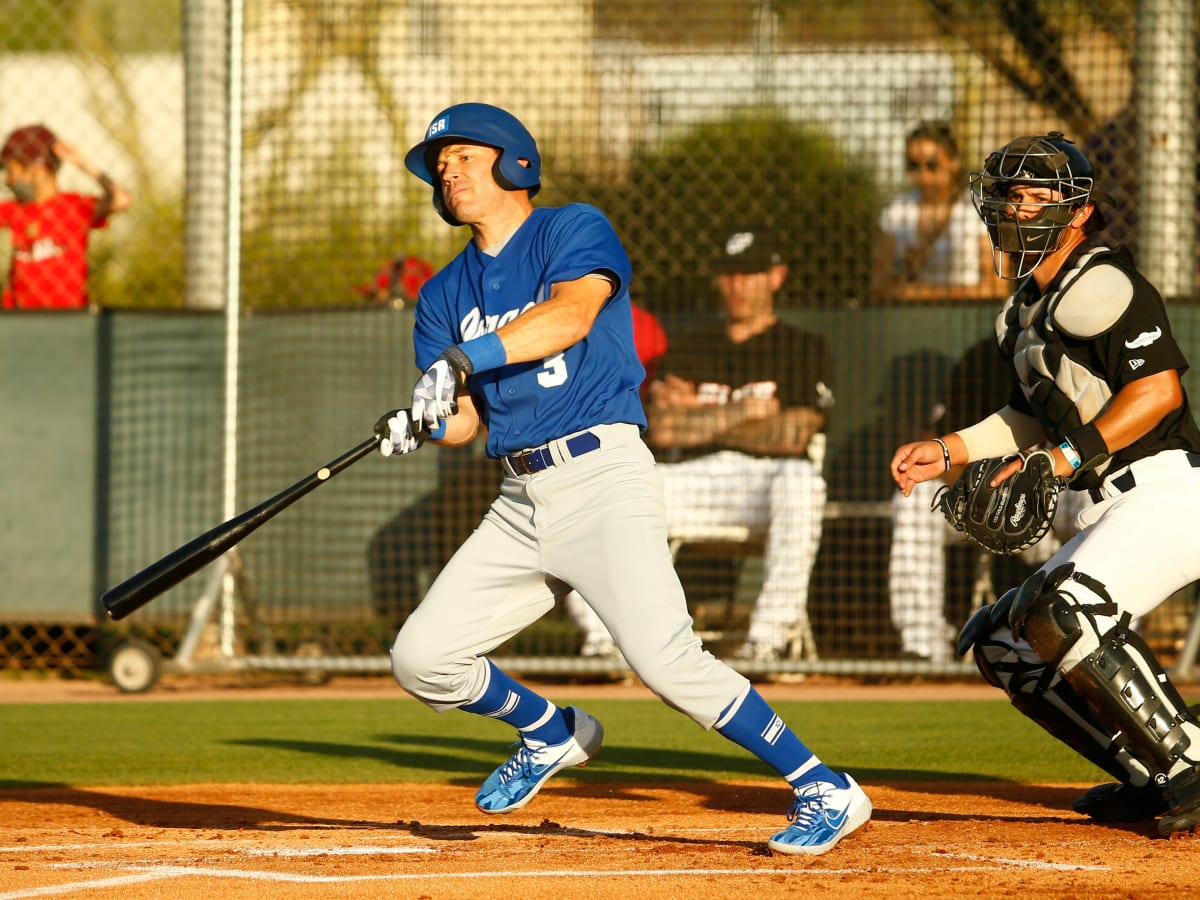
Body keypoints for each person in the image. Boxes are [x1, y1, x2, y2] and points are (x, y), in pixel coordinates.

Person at [372, 102, 871, 855]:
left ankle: (822, 785)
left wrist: (461, 364)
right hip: (519, 497)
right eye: (440, 166)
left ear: (514, 163)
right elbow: (466, 424)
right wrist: (422, 422)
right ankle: (548, 731)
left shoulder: (571, 229)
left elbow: (570, 317)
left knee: (665, 660)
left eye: (464, 157)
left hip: (602, 476)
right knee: (422, 657)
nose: (447, 171)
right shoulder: (443, 294)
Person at [890, 131, 1200, 836]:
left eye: (1037, 196)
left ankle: (1192, 761)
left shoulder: (1104, 281)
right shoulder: (1023, 307)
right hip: (1107, 502)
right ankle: (1151, 778)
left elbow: (1158, 394)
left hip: (1168, 491)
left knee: (1069, 613)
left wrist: (1062, 460)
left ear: (1078, 212)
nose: (1020, 208)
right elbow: (1030, 414)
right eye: (1011, 195)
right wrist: (949, 450)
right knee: (1005, 644)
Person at [571, 224, 833, 664]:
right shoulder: (694, 347)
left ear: (776, 276)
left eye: (749, 273)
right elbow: (662, 428)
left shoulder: (803, 347)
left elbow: (794, 435)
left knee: (803, 481)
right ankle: (602, 641)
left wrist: (702, 414)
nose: (737, 285)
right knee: (603, 491)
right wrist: (747, 411)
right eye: (729, 273)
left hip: (765, 484)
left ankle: (765, 640)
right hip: (690, 479)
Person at [871, 121, 1007, 303]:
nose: (923, 174)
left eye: (932, 165)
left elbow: (997, 287)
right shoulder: (898, 211)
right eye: (913, 165)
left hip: (968, 318)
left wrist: (922, 294)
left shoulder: (978, 209)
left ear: (953, 163)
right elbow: (878, 284)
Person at [0, 124, 133, 309]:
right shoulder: (15, 209)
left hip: (68, 317)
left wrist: (82, 162)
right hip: (21, 319)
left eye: (11, 172)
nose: (7, 181)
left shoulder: (74, 206)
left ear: (35, 169)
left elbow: (121, 199)